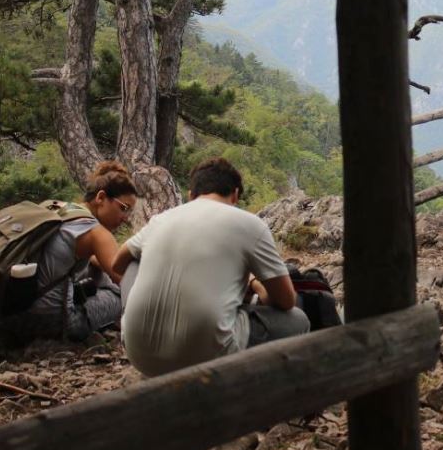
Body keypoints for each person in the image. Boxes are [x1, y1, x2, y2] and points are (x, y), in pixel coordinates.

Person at [113, 157, 309, 377]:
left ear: (191, 195)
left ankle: (134, 325)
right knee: (298, 321)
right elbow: (286, 301)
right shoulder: (250, 224)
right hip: (208, 358)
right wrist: (253, 282)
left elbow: (117, 263)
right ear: (235, 194)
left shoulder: (160, 220)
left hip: (142, 357)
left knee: (133, 261)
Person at [0, 161, 138, 342]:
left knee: (94, 271)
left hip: (7, 314)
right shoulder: (96, 233)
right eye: (123, 208)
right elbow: (129, 283)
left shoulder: (58, 210)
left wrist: (97, 263)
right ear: (101, 198)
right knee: (119, 295)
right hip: (53, 323)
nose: (125, 218)